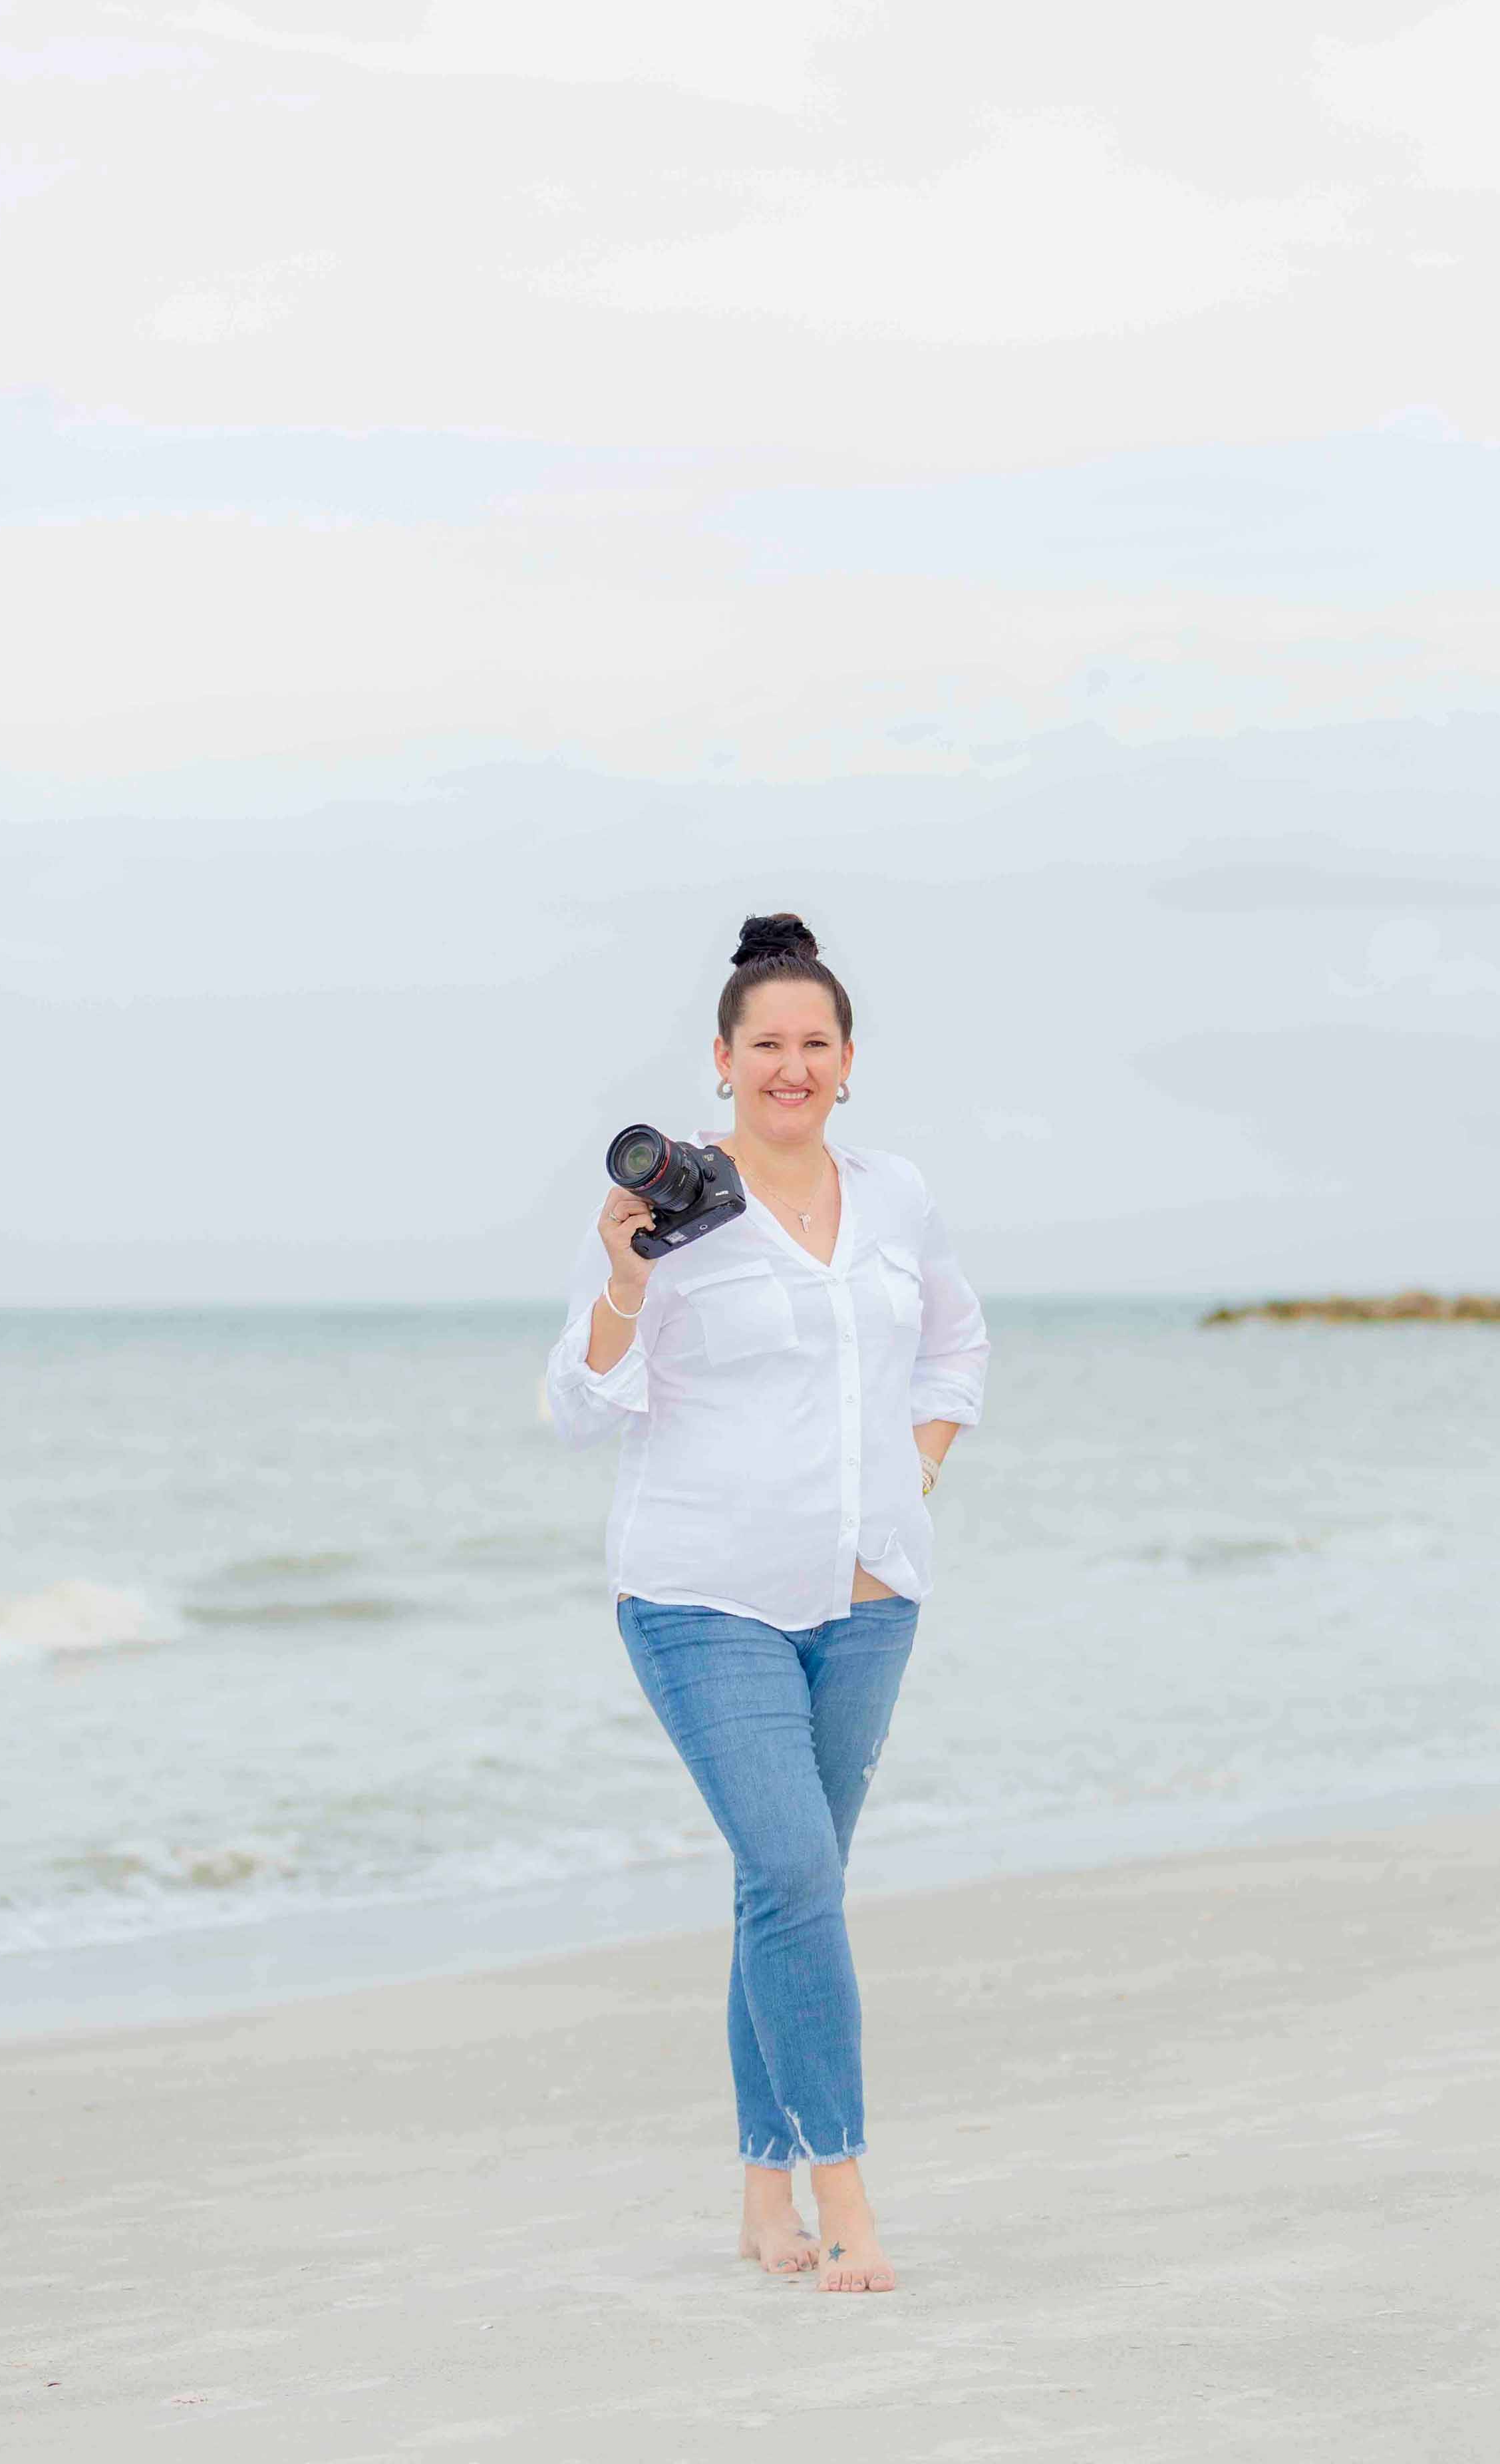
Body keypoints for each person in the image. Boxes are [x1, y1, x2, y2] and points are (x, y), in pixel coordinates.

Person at [544, 912, 989, 2292]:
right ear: (721, 1064)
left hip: (865, 1601)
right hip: (698, 1595)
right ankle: (843, 2193)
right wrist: (625, 1279)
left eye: (813, 1044)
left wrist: (909, 1480)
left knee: (784, 1889)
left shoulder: (896, 1197)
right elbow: (575, 1403)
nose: (788, 1066)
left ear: (847, 1062)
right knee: (796, 1880)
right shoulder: (672, 1213)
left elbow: (955, 1343)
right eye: (764, 1046)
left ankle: (759, 2197)